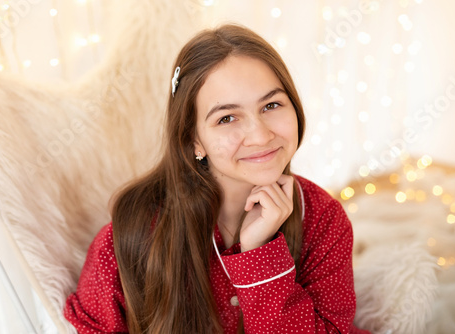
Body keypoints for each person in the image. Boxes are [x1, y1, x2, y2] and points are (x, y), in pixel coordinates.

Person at [64, 24, 371, 334]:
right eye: (227, 118)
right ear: (192, 140)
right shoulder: (132, 238)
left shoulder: (323, 220)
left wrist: (259, 254)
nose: (261, 135)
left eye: (272, 105)